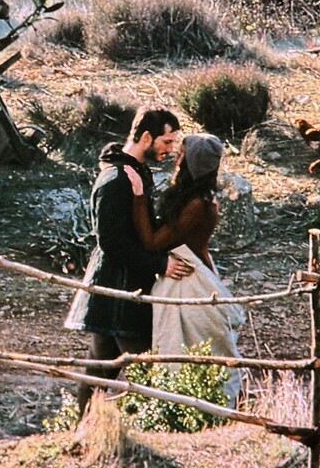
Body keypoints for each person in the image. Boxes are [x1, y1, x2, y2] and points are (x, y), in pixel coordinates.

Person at [63, 106, 193, 415]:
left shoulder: (133, 172)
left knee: (98, 372)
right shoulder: (116, 179)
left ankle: (84, 429)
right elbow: (111, 243)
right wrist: (160, 265)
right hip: (120, 292)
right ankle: (160, 427)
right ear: (147, 137)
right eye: (166, 141)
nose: (169, 150)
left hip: (119, 290)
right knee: (147, 372)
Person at [123, 132, 246, 405]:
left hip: (187, 280)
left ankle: (197, 405)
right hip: (193, 272)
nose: (176, 158)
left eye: (181, 154)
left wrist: (139, 198)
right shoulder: (199, 198)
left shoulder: (196, 205)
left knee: (187, 345)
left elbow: (154, 242)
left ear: (189, 163)